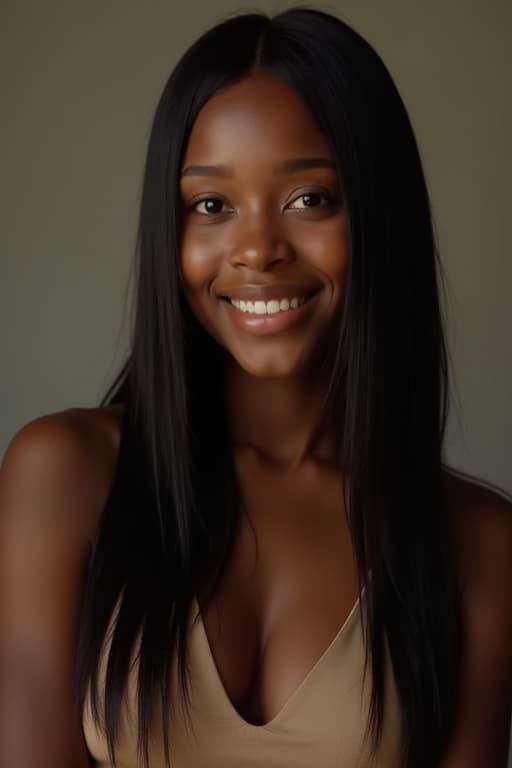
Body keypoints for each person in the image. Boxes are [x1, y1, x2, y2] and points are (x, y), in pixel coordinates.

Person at [0, 8, 510, 768]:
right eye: (211, 206)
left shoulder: (480, 545)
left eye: (311, 199)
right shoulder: (64, 475)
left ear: (381, 214)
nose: (256, 251)